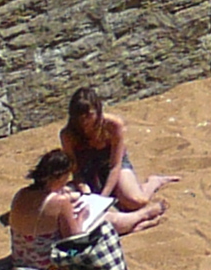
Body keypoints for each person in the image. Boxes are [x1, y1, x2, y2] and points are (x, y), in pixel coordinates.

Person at [7, 147, 138, 270]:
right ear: (59, 177)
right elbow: (74, 238)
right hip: (47, 264)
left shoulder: (21, 194)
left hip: (21, 260)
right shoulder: (59, 202)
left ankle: (141, 219)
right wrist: (81, 216)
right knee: (104, 225)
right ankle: (142, 216)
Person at [60, 86, 177, 219]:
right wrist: (83, 187)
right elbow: (75, 171)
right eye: (80, 117)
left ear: (97, 111)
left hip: (113, 163)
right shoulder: (68, 135)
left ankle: (154, 182)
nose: (84, 121)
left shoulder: (113, 125)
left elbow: (115, 166)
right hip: (88, 168)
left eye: (89, 115)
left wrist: (102, 198)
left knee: (136, 201)